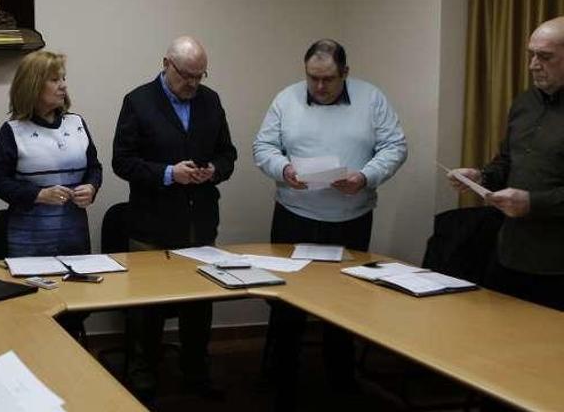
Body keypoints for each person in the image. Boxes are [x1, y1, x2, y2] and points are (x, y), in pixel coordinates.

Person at [253, 39, 407, 408]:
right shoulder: (286, 99)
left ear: (346, 73)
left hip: (350, 219)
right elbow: (263, 148)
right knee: (286, 300)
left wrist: (365, 177)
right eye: (313, 78)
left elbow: (396, 146)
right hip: (294, 217)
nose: (319, 87)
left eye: (328, 79)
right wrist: (284, 169)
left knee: (346, 302)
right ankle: (282, 381)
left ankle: (341, 380)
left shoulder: (372, 99)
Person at [112, 35, 237, 402]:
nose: (193, 84)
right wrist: (169, 173)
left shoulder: (210, 100)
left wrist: (213, 169)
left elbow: (228, 153)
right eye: (187, 75)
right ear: (166, 63)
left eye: (200, 76)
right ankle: (143, 377)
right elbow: (123, 161)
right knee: (147, 310)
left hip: (199, 222)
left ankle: (196, 373)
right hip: (151, 225)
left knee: (199, 306)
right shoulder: (138, 101)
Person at [449, 17, 564, 312]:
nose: (533, 65)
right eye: (531, 55)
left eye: (545, 57)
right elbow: (507, 161)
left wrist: (533, 202)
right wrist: (481, 176)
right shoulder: (525, 103)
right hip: (510, 252)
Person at [0, 50, 102, 258]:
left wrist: (91, 187)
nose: (63, 85)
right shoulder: (13, 131)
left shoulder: (76, 123)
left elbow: (94, 168)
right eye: (55, 79)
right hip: (29, 241)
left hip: (74, 236)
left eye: (64, 79)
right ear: (34, 85)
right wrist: (37, 195)